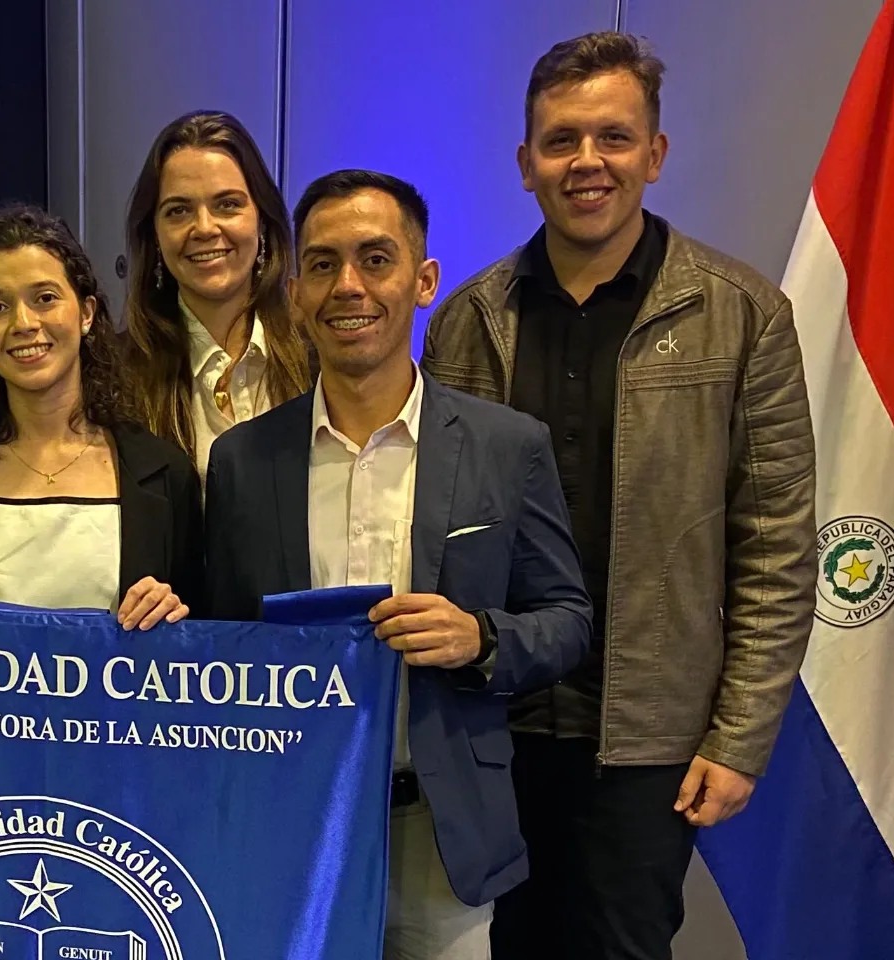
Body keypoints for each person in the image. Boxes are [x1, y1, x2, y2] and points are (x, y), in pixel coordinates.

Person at [421, 32, 816, 960]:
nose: (587, 161)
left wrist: (739, 738)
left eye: (613, 137)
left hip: (646, 738)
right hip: (491, 721)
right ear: (526, 162)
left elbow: (777, 549)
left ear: (655, 153)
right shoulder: (469, 322)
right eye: (561, 140)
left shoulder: (743, 315)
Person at [205, 170, 592, 960]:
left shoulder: (506, 446)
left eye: (375, 259)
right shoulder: (244, 461)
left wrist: (479, 638)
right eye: (323, 264)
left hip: (441, 831)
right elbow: (223, 636)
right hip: (292, 823)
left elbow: (568, 621)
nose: (349, 285)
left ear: (423, 281)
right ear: (296, 294)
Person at [0, 206, 202, 629]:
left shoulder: (164, 472)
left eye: (45, 298)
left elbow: (204, 632)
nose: (23, 323)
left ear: (86, 313)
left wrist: (177, 616)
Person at [122, 110, 311, 476]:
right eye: (179, 210)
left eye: (227, 205)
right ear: (154, 236)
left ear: (262, 221)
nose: (205, 228)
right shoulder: (116, 378)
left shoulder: (318, 360)